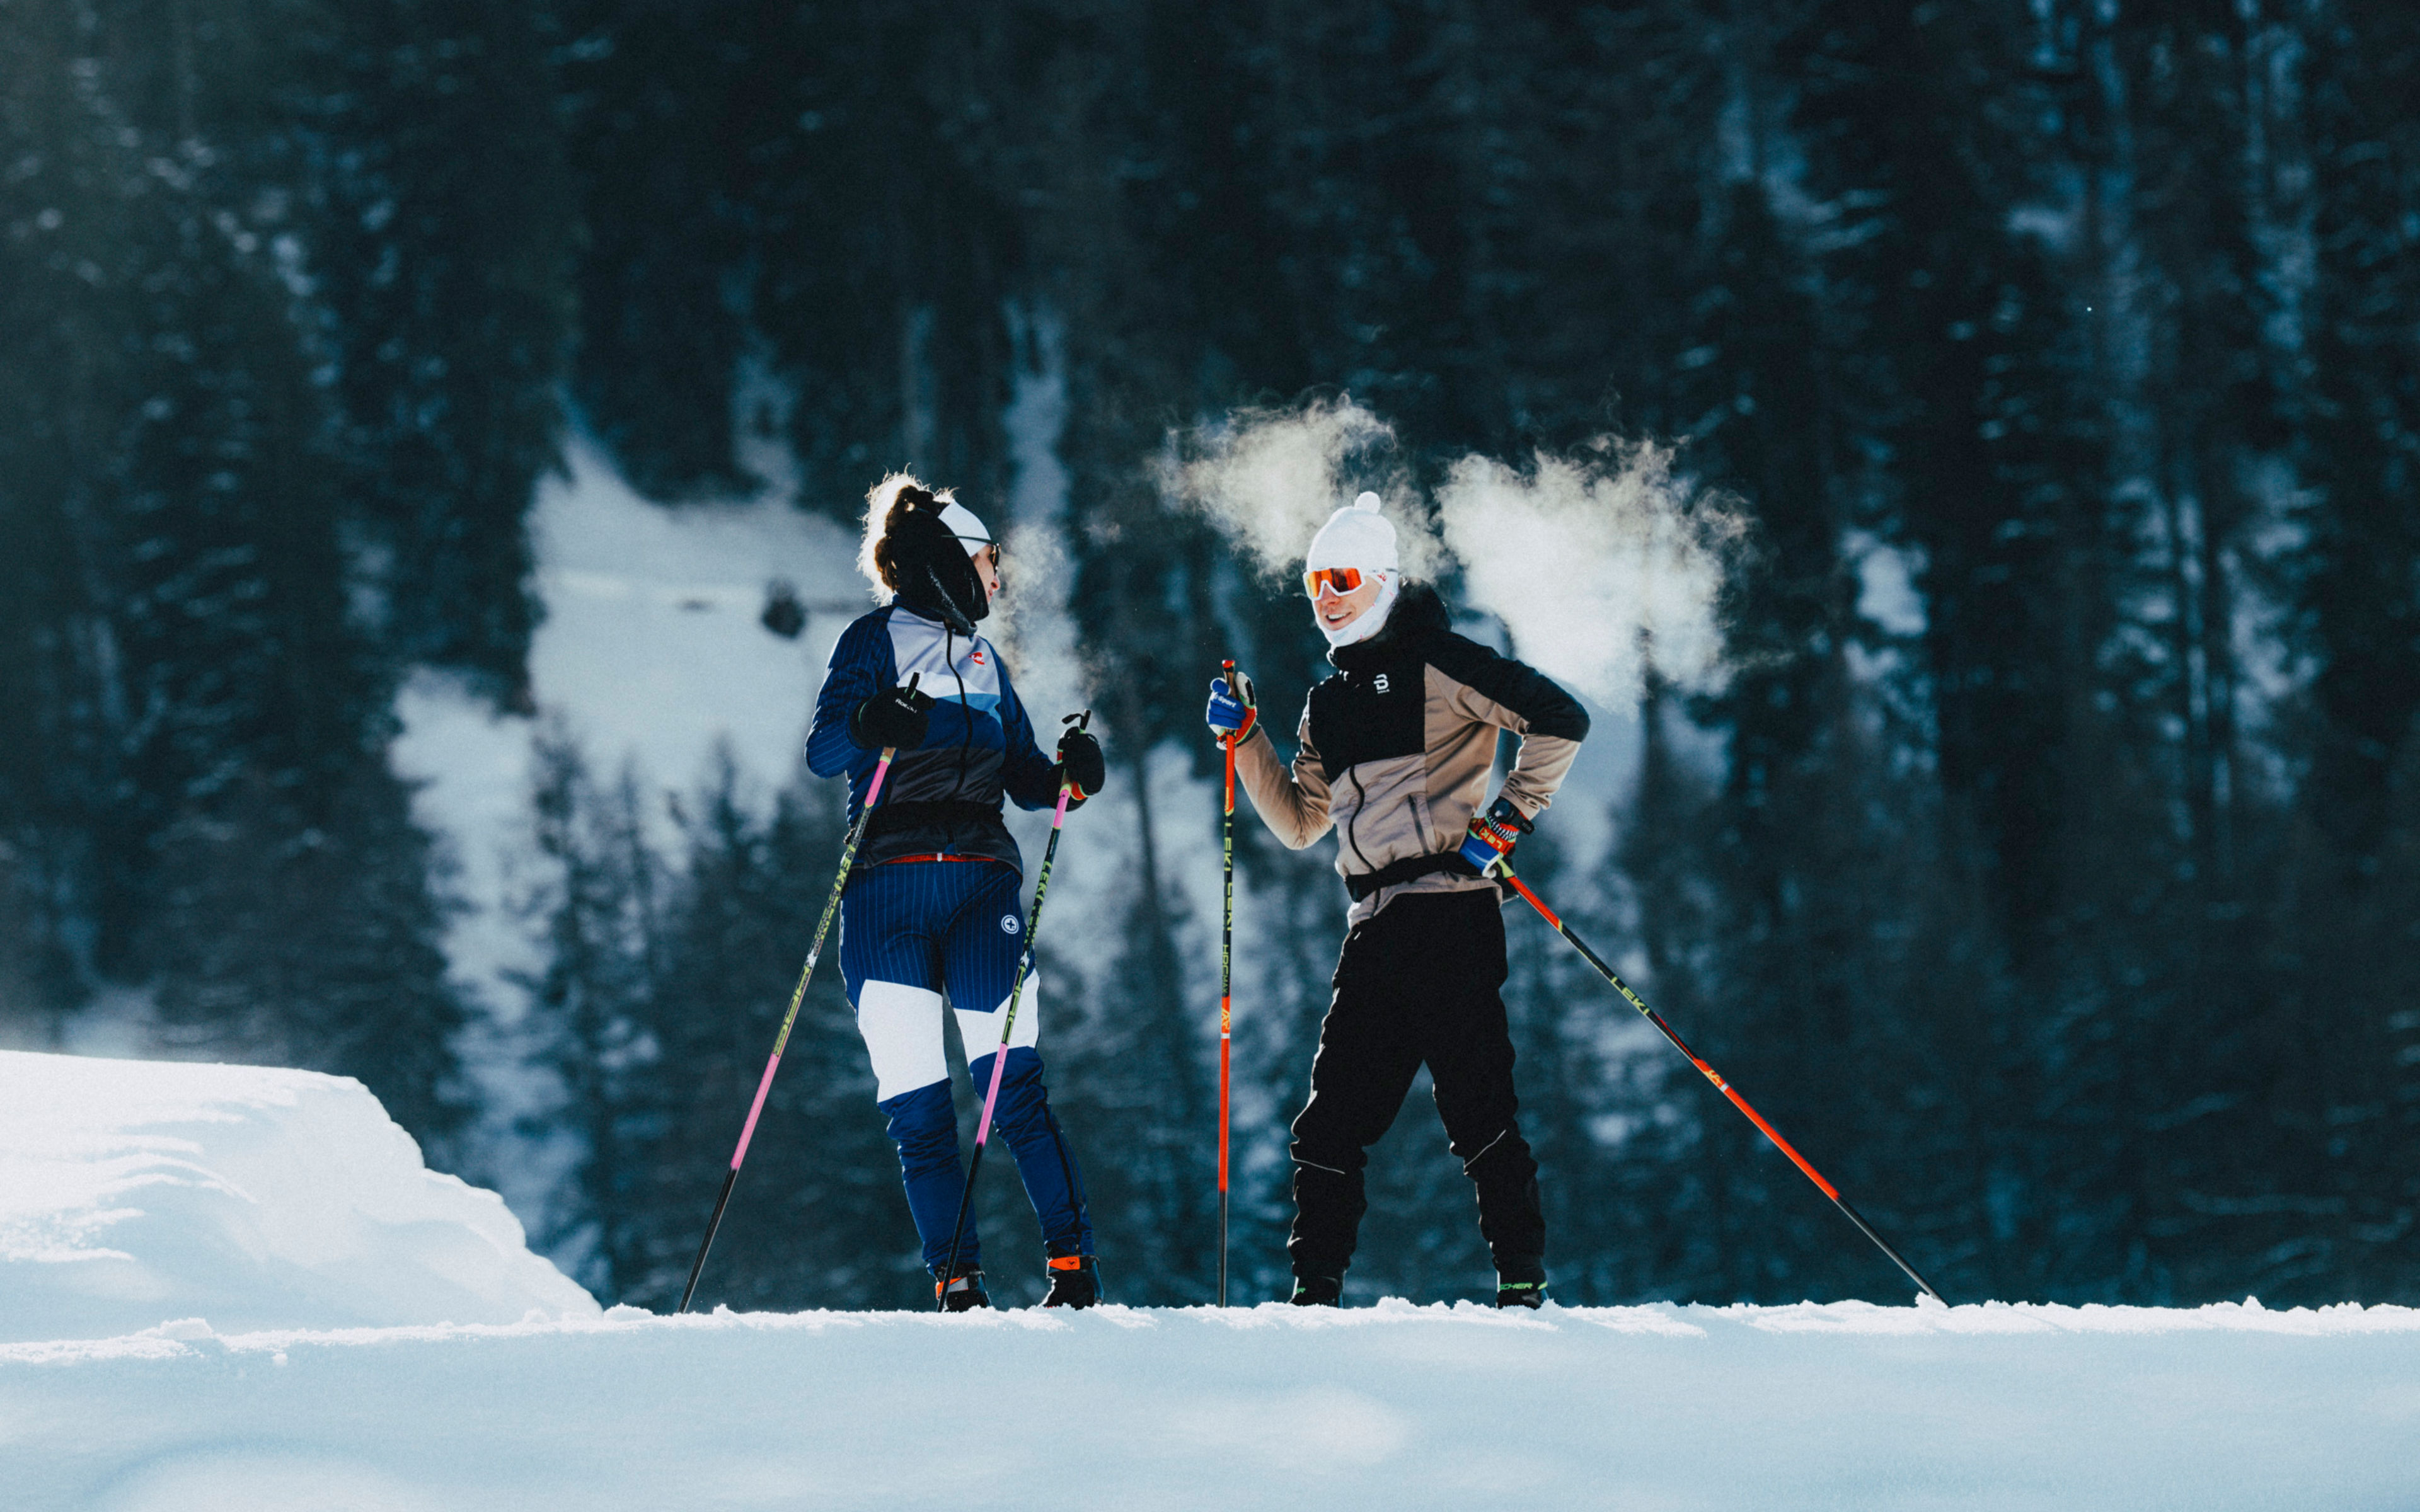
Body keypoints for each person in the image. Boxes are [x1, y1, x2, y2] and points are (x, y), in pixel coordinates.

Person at [1206, 491, 1589, 1309]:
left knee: (1478, 1107)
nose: (1327, 597)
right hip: (1374, 923)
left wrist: (1509, 821)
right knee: (1329, 1124)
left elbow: (1559, 720)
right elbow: (1303, 823)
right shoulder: (1328, 703)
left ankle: (1521, 1284)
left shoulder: (1443, 662)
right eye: (1314, 584)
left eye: (1342, 578)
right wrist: (1246, 742)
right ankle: (1314, 1294)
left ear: (1383, 579)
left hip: (1450, 909)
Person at [806, 474, 1107, 1310]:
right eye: (988, 560)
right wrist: (872, 723)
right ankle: (959, 1284)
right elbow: (826, 752)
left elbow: (1027, 778)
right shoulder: (870, 642)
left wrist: (1073, 780)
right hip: (885, 896)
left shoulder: (984, 661)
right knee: (921, 1110)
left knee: (1014, 1091)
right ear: (947, 559)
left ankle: (1074, 1275)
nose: (998, 579)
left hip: (980, 889)